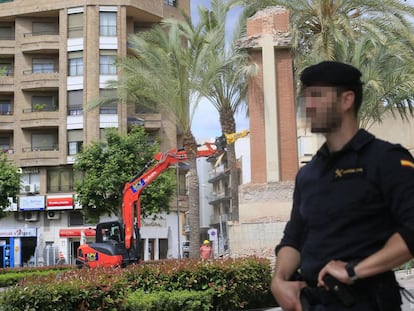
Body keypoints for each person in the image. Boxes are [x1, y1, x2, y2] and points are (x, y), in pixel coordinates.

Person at [271, 61, 414, 311]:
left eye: (317, 96)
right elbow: (293, 239)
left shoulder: (386, 159)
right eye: (306, 98)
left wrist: (353, 271)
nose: (309, 106)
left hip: (368, 302)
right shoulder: (308, 174)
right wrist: (279, 281)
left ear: (347, 100)